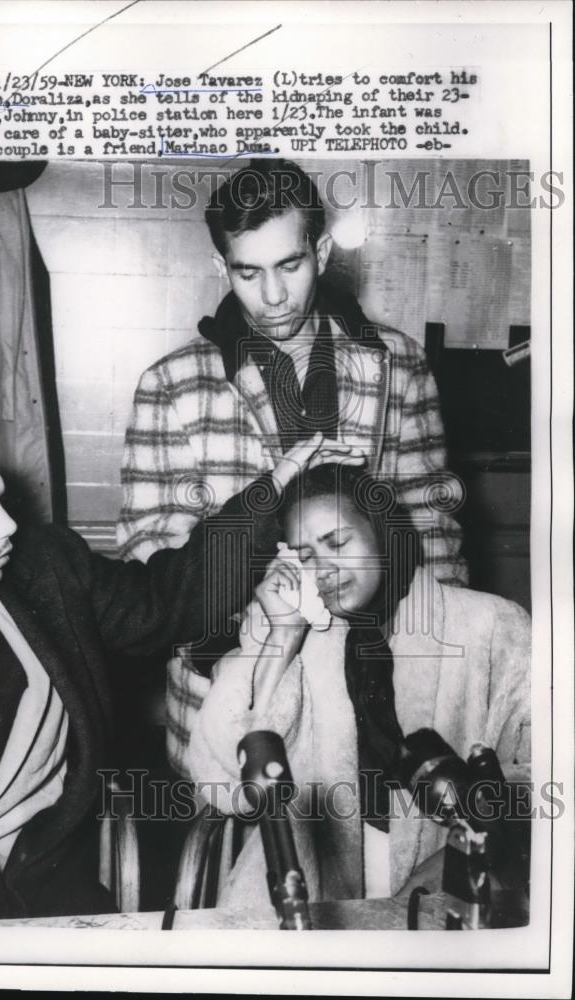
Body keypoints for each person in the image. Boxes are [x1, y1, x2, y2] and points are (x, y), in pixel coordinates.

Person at [0, 408, 323, 924]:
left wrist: (276, 485)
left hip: (58, 901)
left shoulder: (45, 567)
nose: (10, 525)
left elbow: (166, 599)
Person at [116, 158, 467, 773]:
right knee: (245, 862)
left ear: (323, 251)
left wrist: (440, 677)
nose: (273, 296)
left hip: (379, 686)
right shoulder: (170, 386)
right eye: (247, 272)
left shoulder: (399, 365)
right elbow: (152, 571)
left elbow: (434, 536)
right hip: (229, 696)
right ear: (220, 266)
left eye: (290, 265)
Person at [186, 464, 530, 910]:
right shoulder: (292, 632)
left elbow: (533, 788)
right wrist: (284, 637)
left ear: (383, 532)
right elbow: (225, 780)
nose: (324, 569)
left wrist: (433, 880)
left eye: (338, 542)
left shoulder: (492, 626)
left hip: (454, 874)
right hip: (309, 891)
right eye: (305, 555)